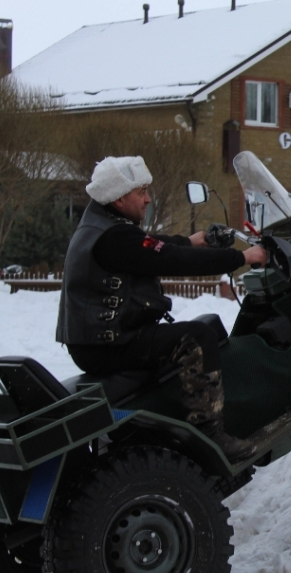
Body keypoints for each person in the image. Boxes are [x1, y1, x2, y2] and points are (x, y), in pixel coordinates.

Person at [56, 156, 267, 461]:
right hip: (107, 345)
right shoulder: (114, 237)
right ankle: (210, 435)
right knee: (198, 337)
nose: (147, 199)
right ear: (118, 198)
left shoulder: (102, 226)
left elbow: (151, 245)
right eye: (140, 192)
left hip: (100, 341)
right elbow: (168, 258)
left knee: (201, 328)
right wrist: (243, 258)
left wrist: (192, 242)